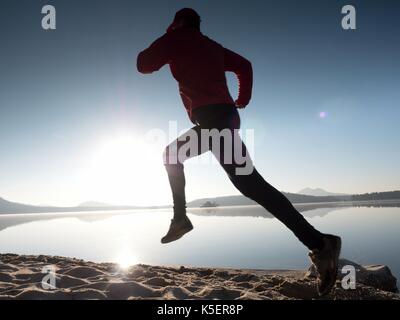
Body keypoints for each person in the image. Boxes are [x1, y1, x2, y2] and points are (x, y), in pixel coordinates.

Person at [137, 8, 341, 296]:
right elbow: (244, 65)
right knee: (252, 185)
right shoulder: (213, 47)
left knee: (173, 157)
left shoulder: (177, 38)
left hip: (213, 120)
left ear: (179, 24)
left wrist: (170, 37)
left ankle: (181, 219)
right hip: (224, 117)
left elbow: (143, 64)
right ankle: (321, 243)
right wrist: (241, 100)